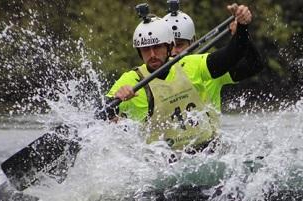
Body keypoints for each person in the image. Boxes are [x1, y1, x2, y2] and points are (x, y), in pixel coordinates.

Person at [106, 3, 260, 152]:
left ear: (168, 46)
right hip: (165, 161)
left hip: (207, 151)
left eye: (158, 47)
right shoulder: (131, 80)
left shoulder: (193, 65)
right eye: (146, 49)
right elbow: (99, 114)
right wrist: (115, 105)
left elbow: (234, 57)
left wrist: (242, 29)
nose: (153, 55)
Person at [163, 2, 263, 111]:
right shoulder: (151, 76)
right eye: (169, 46)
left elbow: (255, 64)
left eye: (179, 45)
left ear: (192, 42)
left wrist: (241, 32)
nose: (173, 52)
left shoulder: (209, 68)